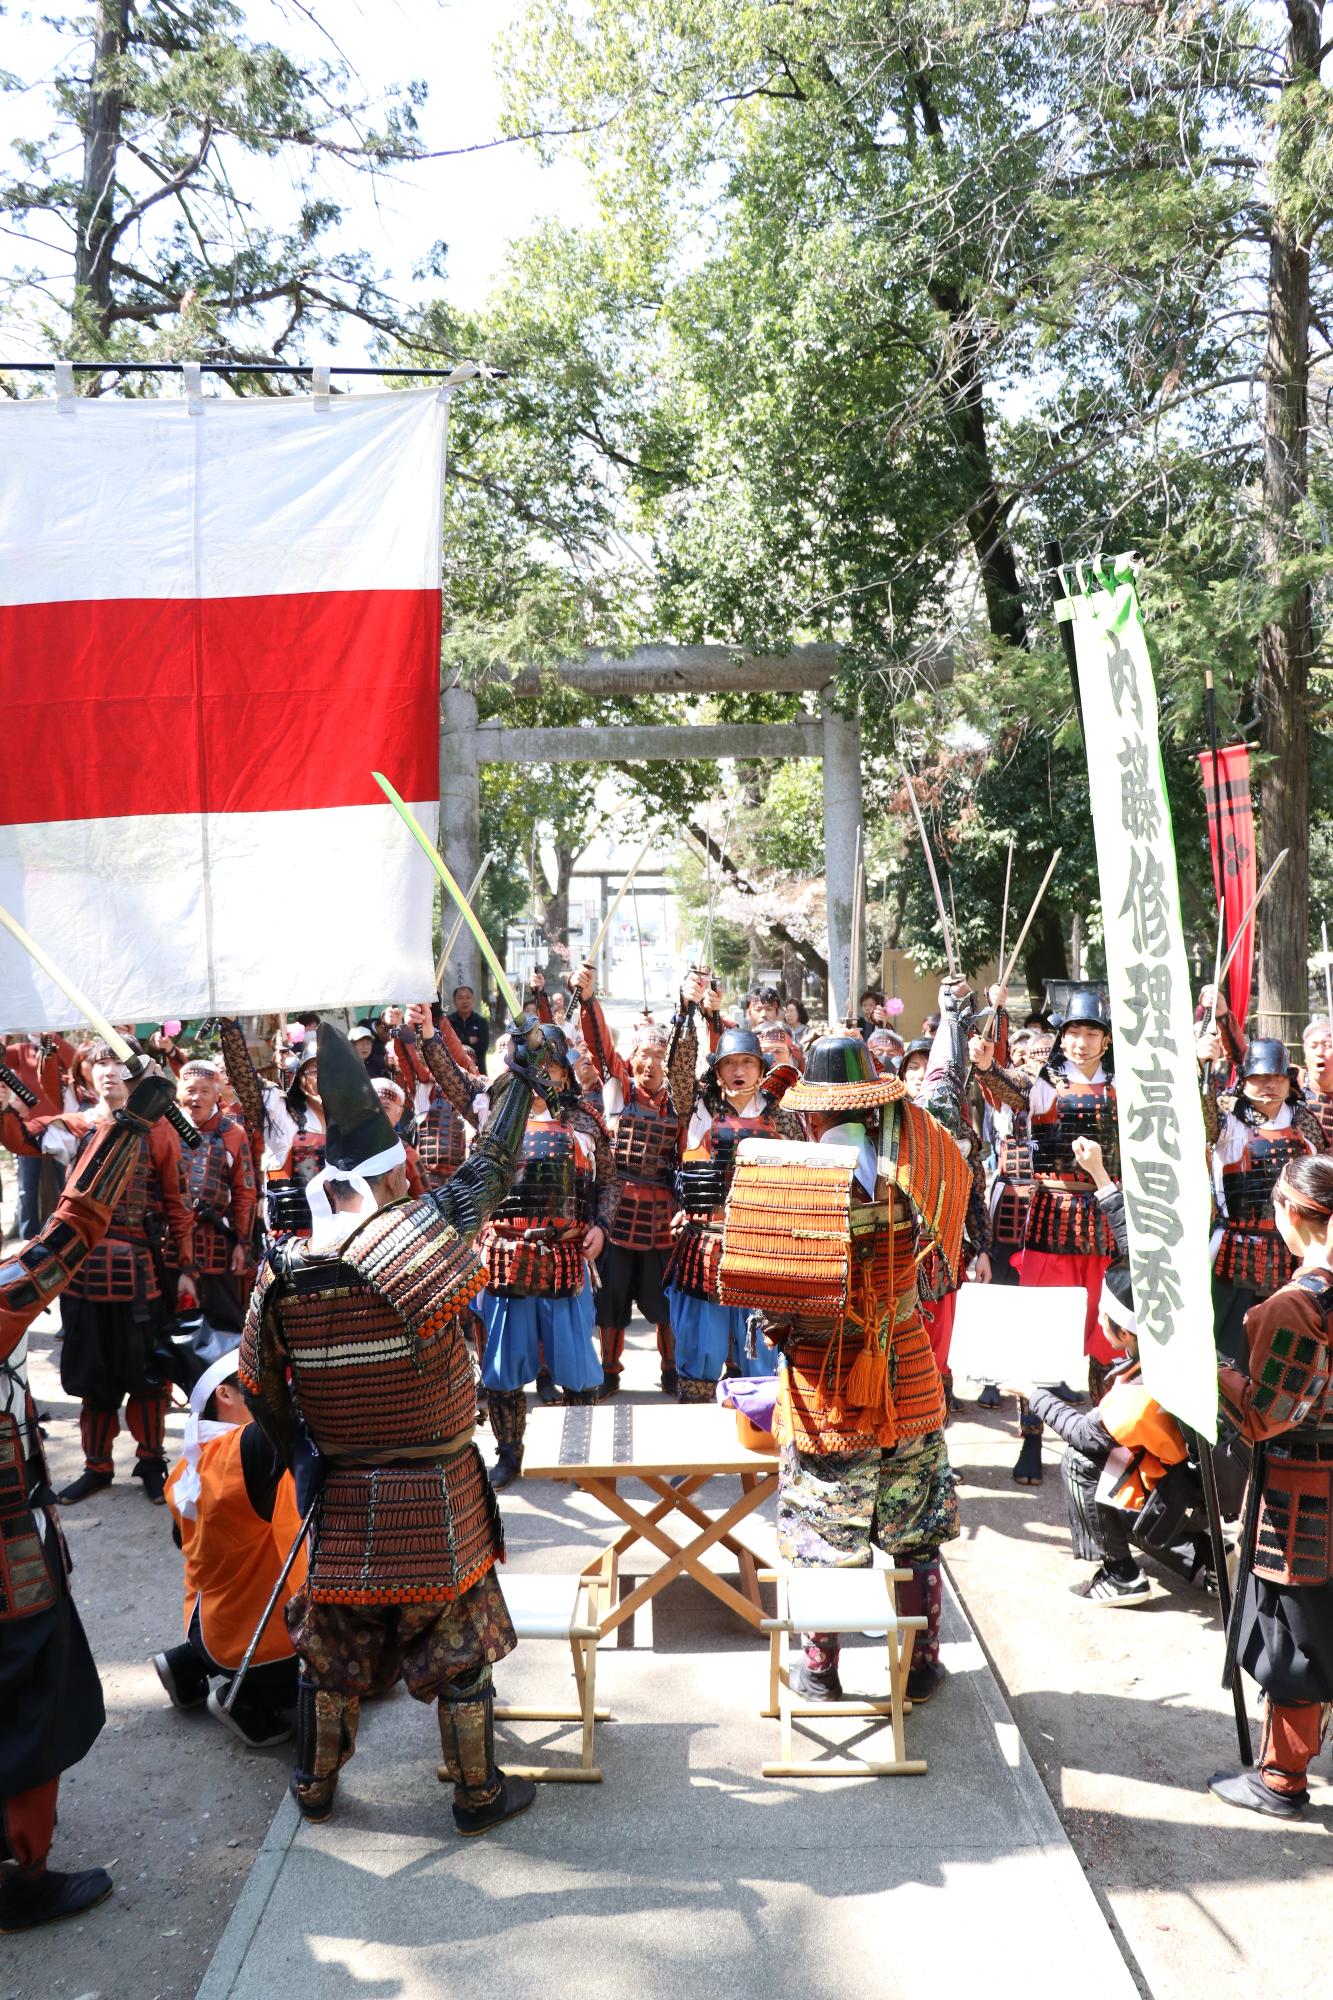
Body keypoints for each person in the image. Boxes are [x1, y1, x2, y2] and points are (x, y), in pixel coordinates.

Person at [239, 1016, 551, 1833]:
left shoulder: (286, 1270)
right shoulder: (423, 1231)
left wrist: (302, 1455)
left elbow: (261, 1391)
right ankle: (476, 1794)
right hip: (436, 1481)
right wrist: (523, 1079)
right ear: (388, 1175)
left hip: (343, 1485)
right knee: (459, 1647)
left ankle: (313, 1783)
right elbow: (491, 1166)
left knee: (330, 1649)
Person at [740, 985, 975, 1705]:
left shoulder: (786, 1174)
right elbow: (939, 1092)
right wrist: (953, 1020)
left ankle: (819, 1671)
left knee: (823, 1537)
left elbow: (766, 1292)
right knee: (915, 1533)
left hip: (824, 1373)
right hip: (903, 1358)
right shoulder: (917, 1160)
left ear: (815, 1107)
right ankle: (921, 1667)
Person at [0, 1061, 177, 1931]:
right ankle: (21, 1878)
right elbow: (65, 1240)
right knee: (29, 1708)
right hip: (4, 1566)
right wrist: (127, 1129)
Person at [2, 1048, 195, 1504]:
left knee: (147, 1376)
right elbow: (20, 1140)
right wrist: (6, 1104)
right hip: (81, 1274)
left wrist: (186, 1270)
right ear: (87, 1075)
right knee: (93, 1376)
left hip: (140, 1274)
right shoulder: (75, 1127)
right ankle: (97, 1467)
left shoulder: (162, 1131)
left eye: (118, 1065)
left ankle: (151, 1463)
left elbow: (178, 1204)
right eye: (100, 1064)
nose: (110, 1072)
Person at [1208, 1153, 1333, 1818]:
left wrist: (1213, 1373)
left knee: (1294, 1635)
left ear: (1289, 1213)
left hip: (1302, 1492)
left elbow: (1264, 1415)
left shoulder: (1297, 1302)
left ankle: (1280, 1780)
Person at [1024, 1138, 1198, 1604]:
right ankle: (1203, 1558)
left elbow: (1085, 1434)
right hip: (1204, 1486)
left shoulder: (1137, 1391)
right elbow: (1136, 1252)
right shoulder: (1181, 1332)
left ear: (1118, 1331)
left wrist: (1032, 1394)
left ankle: (1121, 1573)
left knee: (1081, 1463)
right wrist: (1100, 1176)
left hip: (1176, 1492)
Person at [477, 1022, 619, 1486]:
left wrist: (601, 1224)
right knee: (502, 1368)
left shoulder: (586, 1120)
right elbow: (449, 1077)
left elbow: (609, 1181)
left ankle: (579, 1454)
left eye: (553, 1068)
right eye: (535, 1066)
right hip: (507, 1256)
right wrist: (428, 1031)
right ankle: (508, 1453)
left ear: (565, 1074)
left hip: (565, 1256)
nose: (545, 1076)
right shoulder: (496, 1114)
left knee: (578, 1367)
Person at [971, 989, 1121, 1402]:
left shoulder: (1125, 1088)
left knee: (1111, 1337)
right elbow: (1007, 1086)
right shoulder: (1044, 1085)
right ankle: (1032, 1442)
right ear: (1062, 1036)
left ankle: (1106, 1430)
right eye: (1074, 1032)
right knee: (1038, 1336)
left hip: (1106, 1220)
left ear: (1105, 1041)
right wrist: (986, 1065)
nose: (1082, 1042)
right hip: (1051, 1215)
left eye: (1092, 1033)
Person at [155, 1344, 305, 1748]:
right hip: (256, 1638)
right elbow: (295, 1412)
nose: (271, 1391)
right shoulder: (243, 1450)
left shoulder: (194, 1458)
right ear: (226, 1394)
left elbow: (180, 1538)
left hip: (209, 1621)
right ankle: (242, 1700)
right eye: (259, 1385)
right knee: (354, 1672)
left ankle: (186, 1665)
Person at [666, 974, 801, 1401]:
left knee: (762, 1360)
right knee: (699, 1359)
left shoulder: (784, 1116)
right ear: (718, 1069)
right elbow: (679, 1071)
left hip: (764, 1247)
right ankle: (696, 1461)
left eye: (747, 1062)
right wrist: (687, 1012)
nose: (738, 1070)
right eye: (730, 1063)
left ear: (761, 1069)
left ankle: (760, 1461)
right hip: (706, 1245)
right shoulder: (699, 1107)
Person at [571, 967, 678, 1396]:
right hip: (617, 1212)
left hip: (661, 1215)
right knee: (611, 1296)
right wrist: (589, 1000)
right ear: (632, 1058)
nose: (650, 1064)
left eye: (658, 1057)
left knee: (664, 1298)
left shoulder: (679, 1100)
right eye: (643, 1056)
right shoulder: (619, 1090)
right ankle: (609, 1370)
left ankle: (671, 1368)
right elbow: (599, 1047)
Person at [1195, 1030, 1325, 1366]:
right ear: (1244, 1080)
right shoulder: (1226, 1117)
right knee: (1227, 1345)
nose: (1269, 1084)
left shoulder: (1304, 1121)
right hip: (1234, 1248)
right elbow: (1198, 1119)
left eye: (1277, 1077)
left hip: (1293, 1251)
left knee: (1285, 1347)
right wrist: (1200, 1065)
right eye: (1260, 1077)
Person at [171, 1059, 258, 1332]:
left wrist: (243, 1242)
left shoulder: (234, 1133)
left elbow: (245, 1192)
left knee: (224, 1324)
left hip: (217, 1241)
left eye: (205, 1091)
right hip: (171, 1242)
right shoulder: (164, 1129)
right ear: (178, 1092)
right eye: (190, 1089)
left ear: (217, 1095)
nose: (196, 1097)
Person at [218, 1021, 326, 1237]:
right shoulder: (285, 1115)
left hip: (348, 1241)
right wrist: (230, 1029)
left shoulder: (353, 1123)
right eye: (315, 1071)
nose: (324, 1079)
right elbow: (245, 1080)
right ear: (302, 1079)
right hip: (296, 1246)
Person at [2, 1032, 76, 1240]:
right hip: (29, 1129)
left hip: (61, 1128)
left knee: (67, 1184)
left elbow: (75, 1061)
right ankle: (27, 1238)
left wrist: (52, 1038)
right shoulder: (20, 1050)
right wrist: (5, 1036)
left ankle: (65, 1234)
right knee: (27, 1187)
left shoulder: (57, 1048)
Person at [1301, 1015, 1333, 1145]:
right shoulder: (1292, 1089)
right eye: (1313, 1046)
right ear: (1306, 1058)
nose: (1320, 1052)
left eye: (1328, 1045)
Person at [449, 985, 491, 1070]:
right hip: (454, 1070)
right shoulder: (448, 1022)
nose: (464, 1001)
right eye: (460, 998)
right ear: (454, 1001)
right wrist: (468, 1040)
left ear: (473, 1000)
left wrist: (458, 1042)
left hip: (478, 1069)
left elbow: (483, 1046)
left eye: (468, 997)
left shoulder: (481, 1022)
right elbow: (448, 1046)